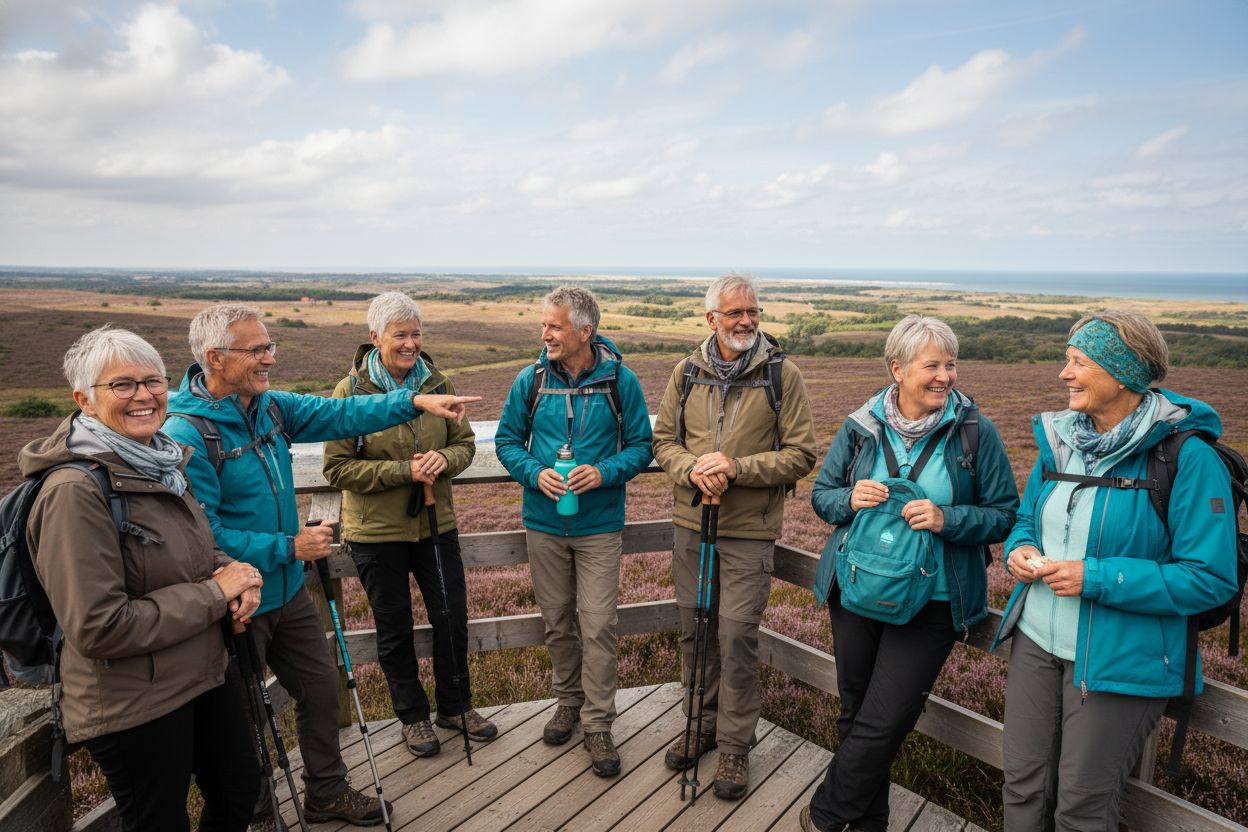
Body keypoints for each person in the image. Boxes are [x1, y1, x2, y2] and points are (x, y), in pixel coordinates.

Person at [163, 303, 478, 831]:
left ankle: (326, 794)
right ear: (215, 358)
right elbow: (204, 535)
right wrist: (288, 546)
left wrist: (415, 399)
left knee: (320, 690)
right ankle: (257, 816)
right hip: (240, 600)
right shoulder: (190, 433)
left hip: (287, 592)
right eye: (257, 349)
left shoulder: (268, 407)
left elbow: (343, 415)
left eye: (271, 347)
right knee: (245, 717)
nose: (270, 358)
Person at [995, 311, 1237, 831]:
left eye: (1079, 362)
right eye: (1068, 360)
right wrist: (1020, 548)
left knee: (1083, 808)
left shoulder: (1188, 459)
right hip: (1036, 640)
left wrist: (1097, 577)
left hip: (1121, 657)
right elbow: (1024, 519)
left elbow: (1210, 577)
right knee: (1021, 785)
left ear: (1122, 373)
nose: (1064, 374)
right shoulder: (1061, 440)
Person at [20, 326, 263, 832]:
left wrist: (233, 575)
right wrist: (216, 594)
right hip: (131, 699)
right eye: (122, 385)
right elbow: (98, 625)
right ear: (83, 400)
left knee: (241, 791)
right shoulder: (73, 492)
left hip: (199, 672)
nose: (143, 395)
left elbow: (190, 548)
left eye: (153, 381)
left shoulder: (162, 460)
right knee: (158, 822)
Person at [799, 315, 1019, 832]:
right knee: (856, 712)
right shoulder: (860, 426)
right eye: (932, 365)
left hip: (935, 600)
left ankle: (826, 816)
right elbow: (821, 496)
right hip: (855, 588)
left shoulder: (973, 432)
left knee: (886, 715)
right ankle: (869, 823)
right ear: (897, 369)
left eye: (951, 364)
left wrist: (948, 519)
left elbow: (1006, 513)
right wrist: (849, 498)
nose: (945, 375)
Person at [652, 273, 817, 800]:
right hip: (691, 524)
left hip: (748, 532)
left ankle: (733, 749)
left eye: (752, 312)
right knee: (694, 631)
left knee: (737, 637)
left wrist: (736, 466)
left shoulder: (781, 375)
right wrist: (692, 469)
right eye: (734, 313)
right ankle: (698, 725)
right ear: (711, 320)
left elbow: (802, 453)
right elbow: (662, 442)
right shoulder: (686, 372)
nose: (746, 321)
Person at [323, 291, 496, 758]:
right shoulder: (350, 393)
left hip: (436, 524)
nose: (411, 343)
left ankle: (456, 707)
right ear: (374, 337)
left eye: (416, 334)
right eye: (400, 334)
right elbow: (337, 470)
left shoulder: (438, 382)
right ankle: (413, 718)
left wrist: (444, 458)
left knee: (451, 617)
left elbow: (464, 444)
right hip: (376, 534)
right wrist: (405, 472)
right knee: (394, 627)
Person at [495, 285, 653, 777]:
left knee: (599, 624)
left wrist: (603, 472)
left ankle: (599, 724)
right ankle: (568, 702)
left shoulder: (620, 381)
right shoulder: (531, 380)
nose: (545, 334)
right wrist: (533, 472)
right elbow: (505, 441)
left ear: (585, 331)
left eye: (554, 326)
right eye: (543, 324)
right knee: (558, 620)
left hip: (599, 526)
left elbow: (643, 446)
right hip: (543, 522)